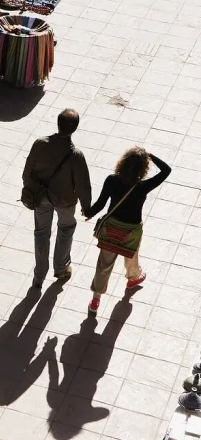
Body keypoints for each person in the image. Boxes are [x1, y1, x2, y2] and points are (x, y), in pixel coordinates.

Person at [84, 148, 171, 313]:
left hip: (111, 229)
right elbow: (167, 170)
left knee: (104, 264)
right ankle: (133, 278)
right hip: (131, 230)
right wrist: (150, 156)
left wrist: (88, 213)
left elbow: (101, 204)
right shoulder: (143, 186)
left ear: (122, 163)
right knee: (131, 254)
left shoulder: (111, 180)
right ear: (142, 169)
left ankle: (95, 301)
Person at [23, 108, 92, 288]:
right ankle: (61, 268)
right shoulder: (76, 156)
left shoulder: (39, 144)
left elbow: (27, 171)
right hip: (65, 201)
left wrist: (30, 190)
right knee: (66, 229)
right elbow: (83, 184)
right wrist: (86, 206)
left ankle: (39, 276)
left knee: (41, 233)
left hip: (40, 197)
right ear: (75, 128)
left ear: (57, 123)